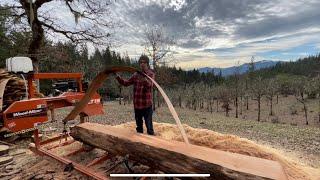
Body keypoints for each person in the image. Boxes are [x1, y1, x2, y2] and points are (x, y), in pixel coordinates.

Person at [115, 55, 155, 135]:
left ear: (147, 64)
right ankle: (139, 143)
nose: (142, 64)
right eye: (141, 62)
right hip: (137, 106)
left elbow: (151, 86)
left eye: (144, 62)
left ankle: (151, 143)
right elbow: (126, 83)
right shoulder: (136, 75)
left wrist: (145, 80)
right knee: (139, 128)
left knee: (149, 127)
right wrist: (118, 77)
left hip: (147, 106)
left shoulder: (150, 74)